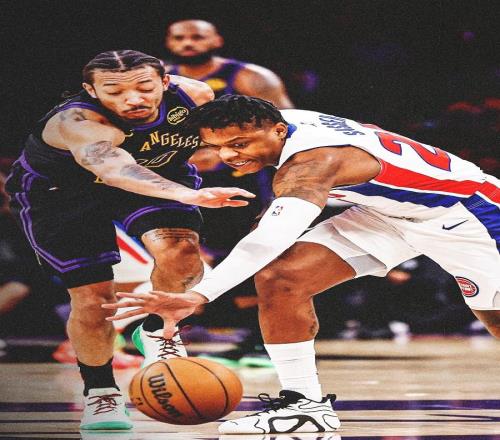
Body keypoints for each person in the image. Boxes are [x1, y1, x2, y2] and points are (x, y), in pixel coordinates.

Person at [104, 95, 500, 434]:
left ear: (277, 131)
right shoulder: (284, 123)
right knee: (281, 278)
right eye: (217, 147)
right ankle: (305, 406)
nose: (228, 156)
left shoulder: (310, 164)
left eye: (239, 144)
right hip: (387, 213)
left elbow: (268, 240)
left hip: (470, 213)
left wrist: (198, 295)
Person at [5, 53, 254, 431]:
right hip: (62, 195)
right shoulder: (76, 121)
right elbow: (115, 169)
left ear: (165, 82)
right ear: (91, 91)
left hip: (158, 174)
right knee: (94, 300)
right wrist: (189, 195)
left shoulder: (197, 95)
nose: (133, 98)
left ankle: (155, 329)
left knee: (184, 256)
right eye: (115, 91)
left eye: (144, 87)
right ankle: (101, 393)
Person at [164, 19, 294, 366]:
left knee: (260, 260)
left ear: (216, 40)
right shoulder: (160, 80)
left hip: (250, 184)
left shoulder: (251, 77)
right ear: (169, 42)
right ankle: (157, 335)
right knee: (183, 259)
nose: (188, 43)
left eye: (197, 36)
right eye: (180, 38)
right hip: (185, 185)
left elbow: (287, 128)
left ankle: (263, 344)